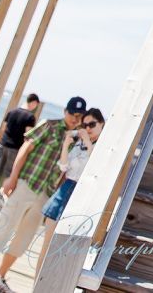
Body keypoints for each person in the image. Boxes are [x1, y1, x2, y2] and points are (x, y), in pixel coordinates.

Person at [0, 97, 87, 293]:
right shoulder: (49, 125)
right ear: (65, 111)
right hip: (27, 184)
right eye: (72, 114)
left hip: (45, 194)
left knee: (23, 239)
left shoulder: (76, 140)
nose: (75, 119)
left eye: (79, 116)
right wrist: (12, 178)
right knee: (3, 229)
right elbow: (25, 149)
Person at [34, 107, 105, 276]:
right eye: (85, 125)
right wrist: (66, 145)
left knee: (64, 248)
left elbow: (95, 166)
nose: (88, 128)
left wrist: (87, 141)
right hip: (65, 190)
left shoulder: (103, 147)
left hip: (82, 196)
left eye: (92, 124)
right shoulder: (79, 145)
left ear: (102, 124)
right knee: (47, 245)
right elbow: (63, 167)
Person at [0, 92, 41, 203]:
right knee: (9, 174)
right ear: (34, 103)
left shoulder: (12, 112)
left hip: (2, 145)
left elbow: (3, 128)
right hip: (15, 148)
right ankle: (2, 194)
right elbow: (28, 135)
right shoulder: (30, 117)